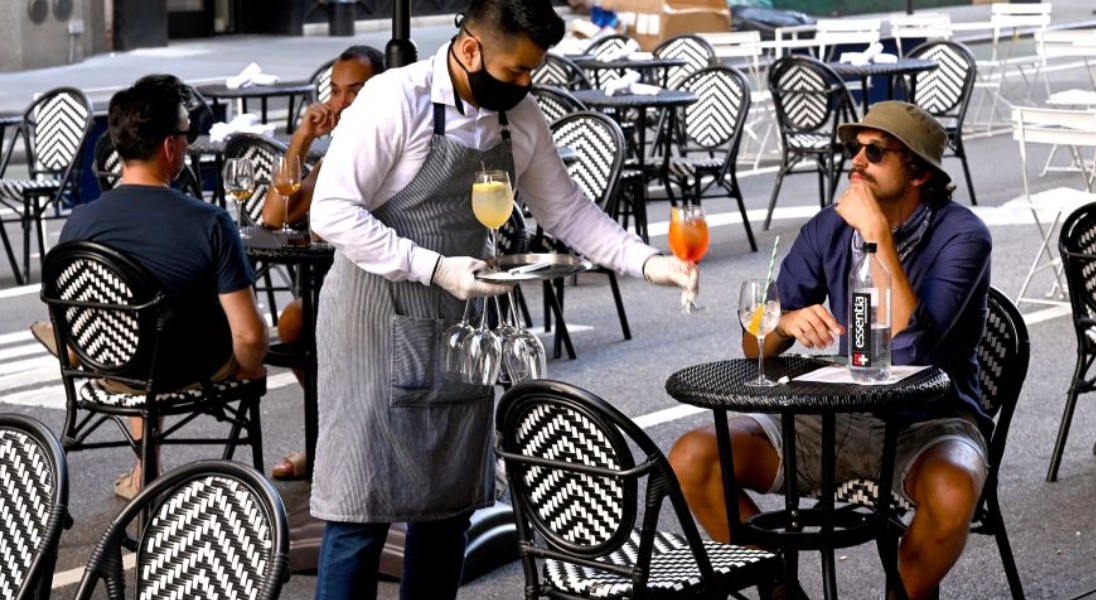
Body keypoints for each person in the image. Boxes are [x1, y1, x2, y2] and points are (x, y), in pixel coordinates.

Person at [307, 0, 698, 598]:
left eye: (532, 72)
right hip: (373, 322)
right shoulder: (395, 99)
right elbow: (330, 211)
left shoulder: (518, 116)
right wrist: (434, 267)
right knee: (361, 506)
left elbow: (565, 209)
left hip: (459, 328)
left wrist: (647, 262)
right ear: (470, 49)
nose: (524, 84)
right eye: (515, 70)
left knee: (447, 508)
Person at [667, 101, 992, 600]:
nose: (856, 162)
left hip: (929, 419)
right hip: (837, 412)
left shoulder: (964, 236)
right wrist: (786, 321)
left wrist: (876, 232)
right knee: (694, 457)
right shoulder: (827, 227)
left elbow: (908, 353)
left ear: (919, 174)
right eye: (853, 149)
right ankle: (779, 592)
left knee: (952, 490)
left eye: (875, 151)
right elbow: (753, 341)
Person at [54, 74, 267, 499]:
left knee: (134, 329)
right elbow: (248, 337)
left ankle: (143, 468)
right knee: (231, 345)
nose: (188, 145)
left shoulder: (78, 222)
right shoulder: (209, 222)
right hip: (184, 370)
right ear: (171, 147)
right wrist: (249, 367)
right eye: (187, 135)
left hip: (110, 367)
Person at [259, 45, 386, 482]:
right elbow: (275, 216)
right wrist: (303, 137)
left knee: (316, 319)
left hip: (385, 287)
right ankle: (327, 438)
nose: (341, 102)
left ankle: (343, 443)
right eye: (335, 91)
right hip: (337, 285)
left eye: (356, 91)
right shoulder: (338, 152)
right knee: (295, 320)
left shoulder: (390, 143)